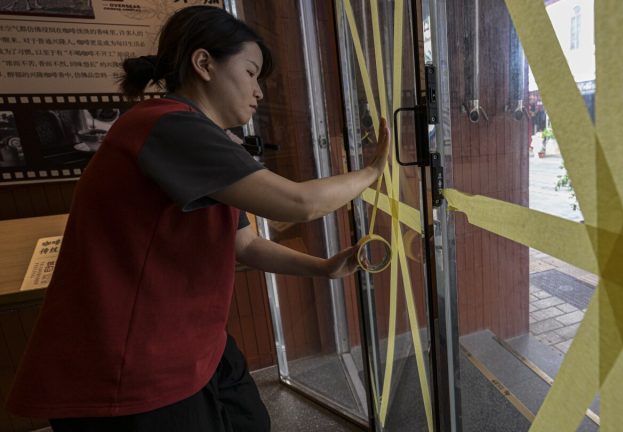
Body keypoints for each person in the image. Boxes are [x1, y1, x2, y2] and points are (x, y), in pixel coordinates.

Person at [6, 5, 390, 432]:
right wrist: (373, 172)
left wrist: (322, 267)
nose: (259, 91)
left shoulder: (206, 140)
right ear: (204, 63)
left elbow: (244, 244)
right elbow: (300, 203)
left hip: (195, 343)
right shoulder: (166, 125)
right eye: (250, 72)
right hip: (134, 365)